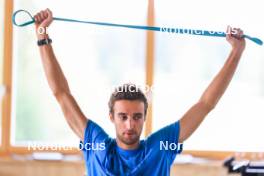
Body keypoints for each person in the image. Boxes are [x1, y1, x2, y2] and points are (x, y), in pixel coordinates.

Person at [34, 8, 246, 176]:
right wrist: (42, 35)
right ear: (111, 117)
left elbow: (205, 104)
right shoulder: (96, 145)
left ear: (145, 117)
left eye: (136, 117)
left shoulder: (159, 148)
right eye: (123, 117)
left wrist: (236, 53)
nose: (130, 124)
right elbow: (61, 93)